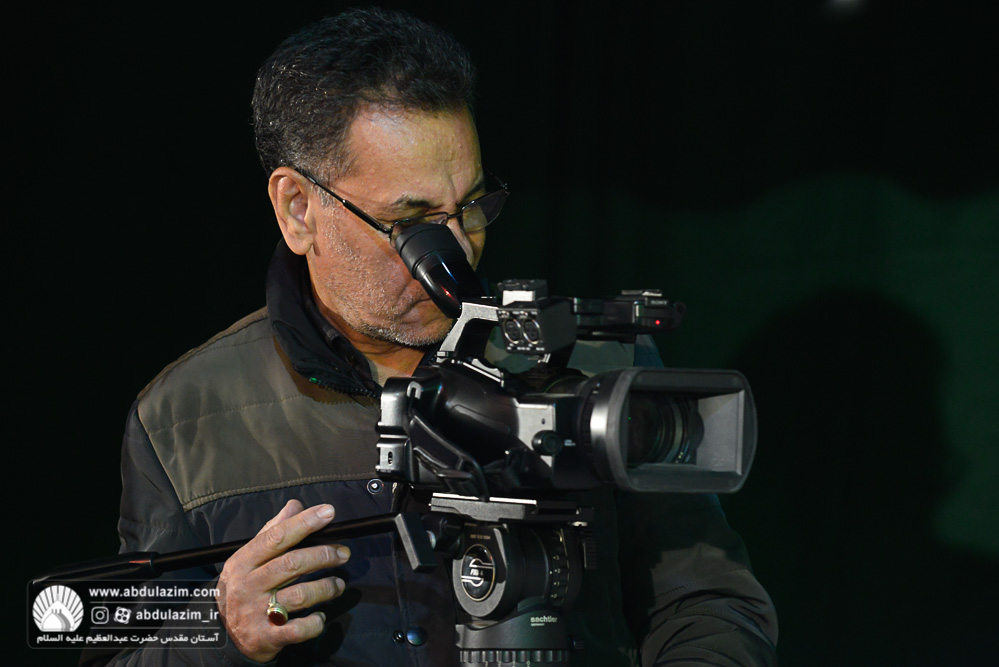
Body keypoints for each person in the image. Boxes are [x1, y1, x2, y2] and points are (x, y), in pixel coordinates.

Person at [85, 7, 778, 666]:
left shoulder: (593, 364)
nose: (457, 252)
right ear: (297, 209)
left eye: (471, 208)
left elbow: (709, 603)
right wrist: (223, 634)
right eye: (410, 223)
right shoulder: (181, 418)